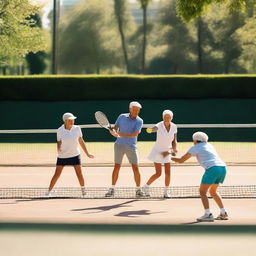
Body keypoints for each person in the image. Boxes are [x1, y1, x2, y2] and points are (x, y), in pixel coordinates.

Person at [170, 131, 228, 222]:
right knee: (213, 191)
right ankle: (223, 212)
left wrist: (168, 158)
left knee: (202, 191)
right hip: (223, 168)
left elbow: (181, 160)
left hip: (213, 169)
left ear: (195, 140)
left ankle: (208, 214)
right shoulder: (210, 145)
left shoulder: (195, 147)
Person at [46, 112, 94, 197]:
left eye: (73, 120)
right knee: (57, 174)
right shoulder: (59, 130)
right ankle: (48, 192)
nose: (72, 121)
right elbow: (58, 142)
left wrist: (87, 153)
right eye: (70, 120)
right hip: (63, 156)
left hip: (75, 155)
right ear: (65, 121)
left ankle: (84, 192)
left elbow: (81, 141)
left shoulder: (77, 128)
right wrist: (59, 150)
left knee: (79, 174)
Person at [105, 101, 145, 197]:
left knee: (135, 168)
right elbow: (115, 128)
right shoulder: (122, 116)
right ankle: (112, 189)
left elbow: (133, 134)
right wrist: (113, 131)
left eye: (138, 110)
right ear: (130, 109)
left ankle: (138, 190)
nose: (136, 112)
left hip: (131, 147)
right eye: (134, 109)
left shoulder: (140, 121)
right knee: (117, 167)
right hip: (119, 145)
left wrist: (119, 134)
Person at [143, 110, 177, 198]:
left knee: (168, 173)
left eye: (169, 117)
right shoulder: (159, 125)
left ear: (171, 118)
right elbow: (155, 128)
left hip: (167, 151)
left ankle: (166, 192)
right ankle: (146, 187)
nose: (167, 118)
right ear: (163, 117)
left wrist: (174, 148)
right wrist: (150, 130)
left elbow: (174, 140)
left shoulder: (174, 126)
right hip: (157, 151)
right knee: (158, 173)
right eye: (165, 117)